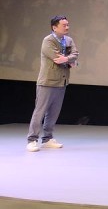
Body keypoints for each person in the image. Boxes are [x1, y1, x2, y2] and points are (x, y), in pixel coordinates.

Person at [26, 15, 79, 152]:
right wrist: (69, 60)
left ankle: (47, 138)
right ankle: (32, 140)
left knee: (54, 112)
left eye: (67, 24)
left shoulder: (69, 40)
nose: (67, 27)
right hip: (47, 82)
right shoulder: (48, 40)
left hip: (62, 81)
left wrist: (67, 59)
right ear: (54, 27)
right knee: (40, 111)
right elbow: (56, 58)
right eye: (64, 25)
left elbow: (75, 54)